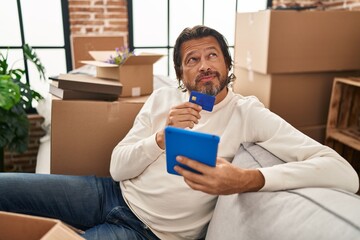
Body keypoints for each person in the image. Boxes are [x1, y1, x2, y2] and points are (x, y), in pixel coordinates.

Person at [0, 25, 358, 240]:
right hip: (107, 193)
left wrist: (246, 179)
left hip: (146, 233)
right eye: (192, 59)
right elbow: (117, 167)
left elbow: (344, 172)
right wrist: (160, 137)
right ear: (181, 74)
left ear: (227, 65)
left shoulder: (247, 112)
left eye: (212, 55)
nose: (203, 65)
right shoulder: (161, 100)